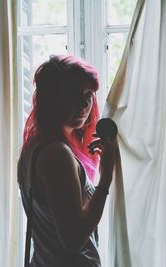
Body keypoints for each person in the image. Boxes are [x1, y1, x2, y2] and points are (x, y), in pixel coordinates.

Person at [17, 55, 117, 267]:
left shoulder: (35, 147)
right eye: (72, 95)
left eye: (88, 94)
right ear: (52, 99)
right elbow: (73, 239)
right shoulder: (57, 154)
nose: (83, 104)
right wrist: (106, 176)